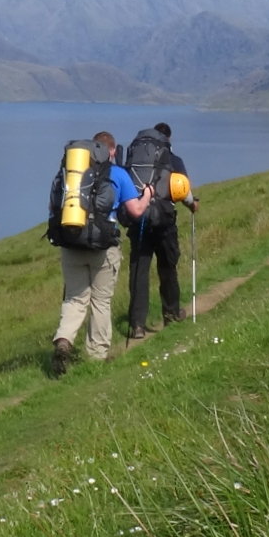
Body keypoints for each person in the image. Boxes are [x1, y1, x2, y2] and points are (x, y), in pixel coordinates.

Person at [52, 131, 153, 376]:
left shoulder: (70, 171)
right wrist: (148, 194)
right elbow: (136, 210)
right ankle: (96, 357)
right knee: (100, 301)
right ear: (111, 151)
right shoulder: (117, 173)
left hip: (71, 242)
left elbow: (53, 205)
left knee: (75, 299)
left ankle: (64, 340)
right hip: (103, 247)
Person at [127, 122, 198, 340]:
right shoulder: (173, 160)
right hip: (165, 222)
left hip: (139, 220)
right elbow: (182, 190)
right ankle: (171, 314)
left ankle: (137, 325)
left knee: (139, 271)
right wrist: (193, 205)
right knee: (168, 268)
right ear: (169, 139)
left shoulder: (136, 159)